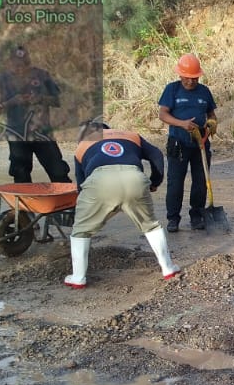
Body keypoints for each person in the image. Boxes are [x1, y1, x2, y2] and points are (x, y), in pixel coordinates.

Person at [64, 120, 179, 289]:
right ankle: (168, 268)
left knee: (81, 230)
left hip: (100, 181)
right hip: (134, 178)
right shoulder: (131, 136)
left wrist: (90, 209)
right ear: (109, 130)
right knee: (151, 226)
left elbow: (82, 184)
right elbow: (156, 154)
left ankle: (78, 277)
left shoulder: (82, 145)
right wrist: (155, 181)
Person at [157, 52, 218, 233]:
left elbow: (211, 113)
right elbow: (163, 114)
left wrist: (212, 122)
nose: (190, 81)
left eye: (194, 78)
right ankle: (173, 218)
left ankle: (197, 215)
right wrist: (182, 124)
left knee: (200, 181)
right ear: (180, 74)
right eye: (187, 77)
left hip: (201, 143)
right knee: (176, 183)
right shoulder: (172, 90)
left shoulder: (204, 91)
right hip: (179, 144)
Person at [0, 45, 70, 184]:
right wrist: (13, 101)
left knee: (58, 172)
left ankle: (69, 203)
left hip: (42, 133)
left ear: (29, 60)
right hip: (17, 134)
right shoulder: (3, 80)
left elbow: (57, 101)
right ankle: (23, 206)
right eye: (17, 64)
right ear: (10, 62)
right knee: (21, 174)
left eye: (25, 63)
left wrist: (40, 98)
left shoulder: (42, 75)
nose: (21, 68)